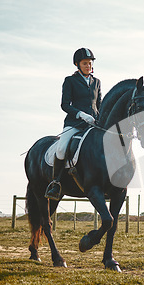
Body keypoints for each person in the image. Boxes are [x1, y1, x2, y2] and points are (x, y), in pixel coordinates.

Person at [45, 48, 102, 200]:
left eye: (90, 63)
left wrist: (99, 118)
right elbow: (65, 105)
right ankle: (56, 183)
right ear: (77, 64)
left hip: (93, 124)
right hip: (74, 123)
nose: (88, 66)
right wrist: (81, 114)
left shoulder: (96, 82)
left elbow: (99, 104)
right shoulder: (70, 81)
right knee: (62, 148)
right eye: (84, 63)